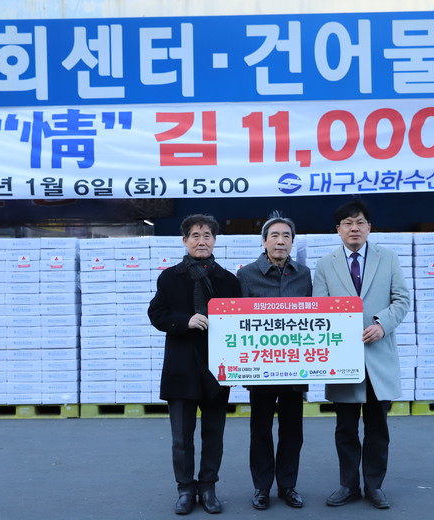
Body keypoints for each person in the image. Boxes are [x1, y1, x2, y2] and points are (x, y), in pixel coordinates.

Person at [312, 199, 410, 510]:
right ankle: (348, 485)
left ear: (369, 227)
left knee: (378, 427)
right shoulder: (325, 264)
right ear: (338, 230)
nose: (354, 228)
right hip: (343, 359)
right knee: (345, 428)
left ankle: (374, 485)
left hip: (378, 355)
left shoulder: (388, 258)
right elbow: (320, 308)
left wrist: (382, 325)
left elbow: (402, 299)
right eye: (348, 223)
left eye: (360, 222)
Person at [148, 214, 242, 515]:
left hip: (217, 368)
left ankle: (209, 487)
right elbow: (156, 314)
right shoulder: (169, 277)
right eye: (195, 236)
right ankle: (185, 489)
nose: (202, 241)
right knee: (181, 438)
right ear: (185, 241)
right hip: (181, 368)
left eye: (207, 236)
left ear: (215, 241)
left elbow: (240, 324)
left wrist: (240, 364)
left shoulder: (229, 281)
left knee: (214, 435)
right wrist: (184, 321)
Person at [236, 212, 313, 511]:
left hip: (295, 366)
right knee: (261, 431)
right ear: (264, 241)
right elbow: (238, 322)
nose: (281, 241)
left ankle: (288, 486)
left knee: (293, 431)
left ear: (292, 242)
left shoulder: (303, 274)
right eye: (275, 236)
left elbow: (314, 318)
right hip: (261, 367)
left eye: (286, 236)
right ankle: (262, 487)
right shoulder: (246, 275)